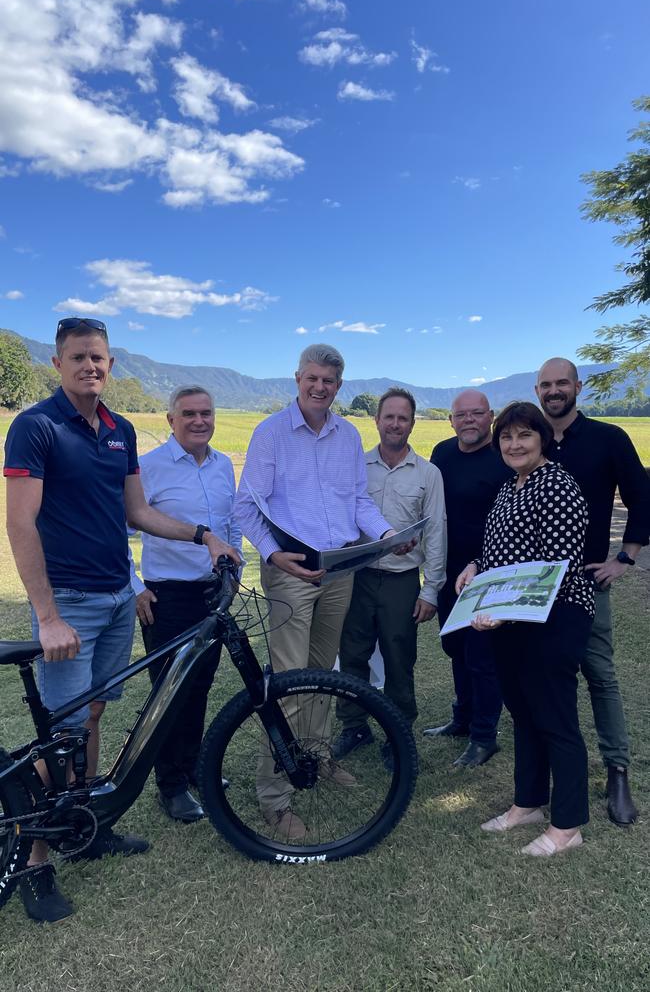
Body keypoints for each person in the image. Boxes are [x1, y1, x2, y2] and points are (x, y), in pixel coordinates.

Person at [3, 318, 239, 923]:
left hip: (114, 599)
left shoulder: (120, 429)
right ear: (57, 363)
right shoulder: (36, 427)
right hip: (71, 602)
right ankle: (33, 861)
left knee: (92, 717)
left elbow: (137, 510)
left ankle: (82, 827)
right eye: (79, 356)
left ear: (111, 366)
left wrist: (202, 533)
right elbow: (21, 524)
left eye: (100, 358)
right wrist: (48, 616)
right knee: (61, 732)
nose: (91, 366)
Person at [235, 344, 409, 840]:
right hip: (291, 569)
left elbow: (357, 502)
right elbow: (246, 505)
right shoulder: (271, 432)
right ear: (297, 379)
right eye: (312, 378)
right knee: (288, 683)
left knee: (323, 673)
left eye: (329, 381)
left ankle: (316, 754)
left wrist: (385, 535)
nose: (320, 387)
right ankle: (274, 798)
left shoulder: (348, 434)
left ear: (339, 385)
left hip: (339, 569)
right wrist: (272, 554)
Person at [458, 401, 594, 857]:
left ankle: (568, 825)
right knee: (524, 712)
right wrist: (476, 568)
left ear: (543, 439)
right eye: (506, 437)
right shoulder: (510, 487)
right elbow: (499, 549)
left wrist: (507, 611)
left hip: (554, 618)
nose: (514, 445)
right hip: (510, 619)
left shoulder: (555, 485)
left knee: (555, 717)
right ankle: (528, 803)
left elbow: (557, 567)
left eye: (524, 435)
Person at [535, 357, 650, 826]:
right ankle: (546, 769)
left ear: (578, 386)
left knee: (599, 673)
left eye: (562, 383)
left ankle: (617, 769)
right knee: (541, 673)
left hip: (586, 580)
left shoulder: (608, 439)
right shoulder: (529, 438)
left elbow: (642, 496)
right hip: (533, 583)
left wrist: (625, 558)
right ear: (537, 390)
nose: (555, 391)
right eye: (546, 385)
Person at [131, 385, 242, 824]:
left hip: (211, 594)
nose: (199, 421)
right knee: (169, 692)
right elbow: (118, 526)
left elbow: (229, 524)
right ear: (170, 420)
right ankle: (170, 785)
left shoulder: (222, 467)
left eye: (206, 413)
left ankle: (193, 765)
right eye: (189, 414)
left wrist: (232, 568)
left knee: (199, 686)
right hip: (166, 595)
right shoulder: (148, 467)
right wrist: (132, 584)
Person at [334, 388, 446, 769]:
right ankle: (353, 726)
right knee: (352, 655)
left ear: (412, 424)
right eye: (389, 417)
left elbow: (436, 533)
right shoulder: (356, 467)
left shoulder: (428, 474)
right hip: (358, 576)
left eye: (403, 418)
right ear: (376, 420)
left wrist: (431, 589)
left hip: (401, 581)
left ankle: (399, 735)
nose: (395, 424)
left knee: (400, 659)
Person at [422, 390, 511, 766]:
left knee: (481, 655)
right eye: (462, 415)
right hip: (447, 569)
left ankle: (484, 735)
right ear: (451, 420)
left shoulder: (505, 457)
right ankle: (462, 717)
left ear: (490, 416)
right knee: (455, 647)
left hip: (488, 572)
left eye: (477, 414)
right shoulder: (441, 454)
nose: (469, 420)